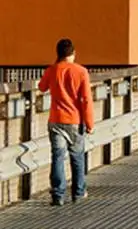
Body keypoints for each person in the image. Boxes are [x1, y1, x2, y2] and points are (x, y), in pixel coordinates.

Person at [37, 38, 93, 206]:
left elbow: (41, 87)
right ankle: (78, 192)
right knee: (77, 157)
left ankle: (58, 194)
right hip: (75, 120)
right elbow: (86, 100)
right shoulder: (81, 71)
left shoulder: (52, 70)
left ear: (58, 54)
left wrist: (54, 67)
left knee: (58, 157)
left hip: (55, 120)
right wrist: (89, 122)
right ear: (73, 53)